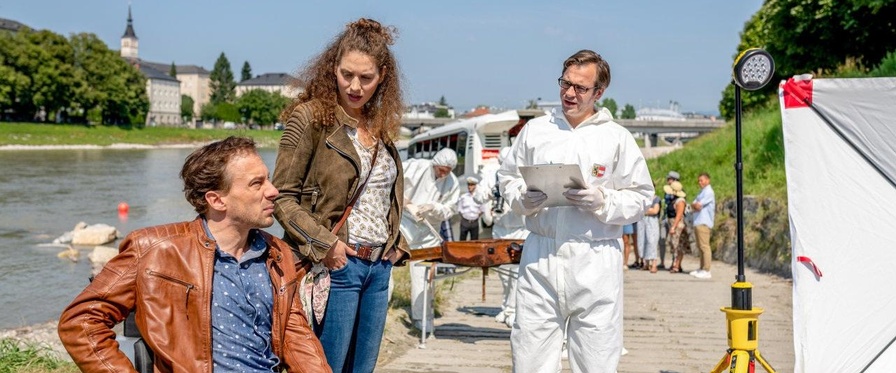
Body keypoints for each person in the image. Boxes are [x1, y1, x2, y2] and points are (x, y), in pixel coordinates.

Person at [58, 136, 330, 373]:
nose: (273, 191)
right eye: (256, 184)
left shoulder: (277, 254)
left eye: (268, 179)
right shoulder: (154, 248)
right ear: (216, 200)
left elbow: (297, 339)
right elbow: (82, 321)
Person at [498, 49, 653, 373]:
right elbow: (508, 176)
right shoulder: (537, 130)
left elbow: (641, 197)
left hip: (595, 258)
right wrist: (520, 200)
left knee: (596, 361)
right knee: (529, 357)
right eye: (565, 83)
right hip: (541, 254)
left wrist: (603, 201)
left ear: (599, 92)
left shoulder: (616, 138)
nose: (569, 93)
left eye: (580, 88)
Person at [271, 18, 410, 372]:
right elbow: (282, 197)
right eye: (347, 74)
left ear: (382, 77)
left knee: (362, 369)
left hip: (379, 269)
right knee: (326, 367)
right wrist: (325, 245)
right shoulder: (311, 118)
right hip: (337, 265)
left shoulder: (380, 127)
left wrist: (397, 243)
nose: (355, 85)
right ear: (333, 68)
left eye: (366, 78)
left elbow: (380, 198)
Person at [400, 147, 460, 331]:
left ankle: (422, 318)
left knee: (424, 278)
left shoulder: (452, 182)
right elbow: (392, 177)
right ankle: (384, 313)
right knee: (386, 270)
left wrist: (433, 207)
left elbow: (451, 209)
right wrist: (405, 201)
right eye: (441, 169)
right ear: (435, 163)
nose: (443, 174)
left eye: (447, 171)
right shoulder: (416, 167)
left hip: (428, 232)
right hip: (405, 225)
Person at [490, 146, 530, 328]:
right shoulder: (492, 175)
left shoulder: (523, 178)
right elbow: (478, 197)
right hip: (499, 229)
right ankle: (506, 306)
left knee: (515, 274)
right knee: (502, 273)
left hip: (518, 230)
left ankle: (513, 309)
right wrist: (491, 193)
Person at [690, 172, 715, 279]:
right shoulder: (702, 192)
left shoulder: (709, 192)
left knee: (705, 246)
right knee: (700, 247)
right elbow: (693, 204)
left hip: (704, 222)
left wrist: (695, 205)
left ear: (707, 180)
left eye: (702, 180)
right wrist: (695, 205)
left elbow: (698, 205)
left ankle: (707, 269)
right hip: (698, 221)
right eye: (699, 180)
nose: (700, 182)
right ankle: (701, 267)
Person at [664, 180, 689, 273]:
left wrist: (673, 226)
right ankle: (675, 263)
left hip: (678, 225)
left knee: (678, 245)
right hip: (673, 224)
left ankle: (677, 264)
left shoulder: (680, 201)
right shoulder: (674, 200)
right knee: (674, 245)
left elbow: (679, 215)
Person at [637, 187, 662, 273]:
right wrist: (647, 210)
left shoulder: (656, 199)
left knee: (652, 241)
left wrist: (644, 211)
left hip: (652, 221)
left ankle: (654, 263)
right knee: (642, 241)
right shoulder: (641, 198)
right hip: (642, 221)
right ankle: (646, 263)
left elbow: (655, 211)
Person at [660, 170, 680, 268]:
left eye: (670, 179)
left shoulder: (679, 191)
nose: (668, 180)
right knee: (662, 240)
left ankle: (675, 263)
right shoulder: (667, 191)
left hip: (673, 219)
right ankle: (662, 262)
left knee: (674, 242)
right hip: (666, 218)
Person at [457, 176, 487, 240]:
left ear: (475, 186)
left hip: (474, 222)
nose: (469, 186)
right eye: (468, 184)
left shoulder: (479, 198)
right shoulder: (463, 197)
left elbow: (482, 210)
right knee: (462, 241)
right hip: (465, 221)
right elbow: (459, 209)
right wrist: (465, 217)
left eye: (472, 185)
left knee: (474, 241)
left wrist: (475, 217)